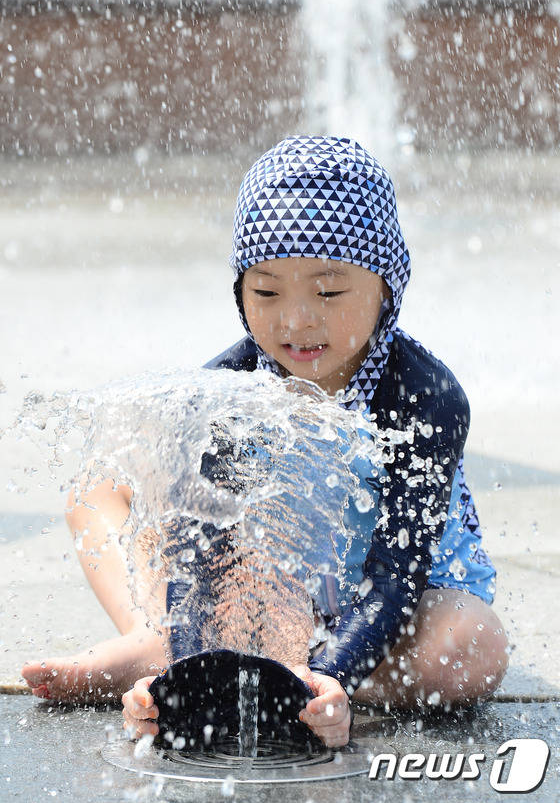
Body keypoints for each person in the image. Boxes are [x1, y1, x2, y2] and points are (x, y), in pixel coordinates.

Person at [22, 136, 508, 748]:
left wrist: (331, 678)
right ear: (240, 293)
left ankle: (282, 679)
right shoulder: (227, 391)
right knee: (96, 493)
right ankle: (171, 652)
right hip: (262, 593)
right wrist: (193, 666)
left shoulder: (425, 398)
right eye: (268, 292)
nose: (296, 321)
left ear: (388, 286)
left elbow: (396, 576)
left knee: (473, 644)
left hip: (393, 606)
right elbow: (201, 553)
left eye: (328, 292)